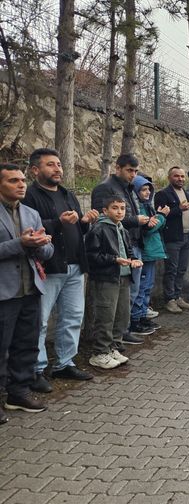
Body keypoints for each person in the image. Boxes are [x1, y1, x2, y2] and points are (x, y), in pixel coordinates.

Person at [23, 149, 96, 390]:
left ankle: (64, 363)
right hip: (47, 268)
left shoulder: (67, 194)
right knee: (40, 321)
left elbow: (77, 229)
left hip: (74, 266)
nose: (58, 169)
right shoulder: (29, 196)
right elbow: (27, 228)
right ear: (35, 170)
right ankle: (36, 369)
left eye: (59, 164)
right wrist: (59, 222)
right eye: (51, 165)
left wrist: (84, 222)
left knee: (73, 317)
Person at [0, 163, 54, 422]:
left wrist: (40, 245)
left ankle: (18, 393)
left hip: (30, 289)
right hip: (3, 292)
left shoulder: (31, 213)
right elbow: (14, 247)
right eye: (13, 181)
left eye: (22, 180)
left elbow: (48, 252)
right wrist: (20, 243)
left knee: (27, 344)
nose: (21, 185)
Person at [91, 154, 147, 345]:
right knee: (111, 304)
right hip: (112, 251)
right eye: (129, 170)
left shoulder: (129, 187)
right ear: (117, 168)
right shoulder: (105, 188)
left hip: (130, 244)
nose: (133, 175)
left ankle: (121, 334)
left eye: (136, 171)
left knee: (129, 295)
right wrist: (135, 220)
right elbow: (103, 219)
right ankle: (108, 343)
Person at [85, 195, 142, 370]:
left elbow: (128, 250)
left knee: (122, 315)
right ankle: (100, 352)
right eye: (115, 208)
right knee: (105, 316)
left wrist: (133, 260)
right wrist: (114, 259)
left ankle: (114, 347)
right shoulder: (98, 229)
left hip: (123, 277)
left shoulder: (122, 229)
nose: (119, 212)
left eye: (122, 208)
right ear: (105, 210)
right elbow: (91, 256)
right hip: (106, 279)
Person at [129, 175, 168, 338]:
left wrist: (158, 218)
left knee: (147, 286)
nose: (147, 193)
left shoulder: (147, 206)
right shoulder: (138, 208)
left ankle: (143, 315)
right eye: (143, 190)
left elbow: (154, 225)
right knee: (141, 287)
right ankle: (136, 319)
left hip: (151, 252)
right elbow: (148, 228)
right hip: (144, 251)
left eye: (148, 190)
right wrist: (161, 216)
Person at [154, 166, 189, 315]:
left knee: (182, 269)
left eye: (182, 176)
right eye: (176, 176)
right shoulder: (162, 194)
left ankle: (178, 296)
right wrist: (179, 209)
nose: (180, 179)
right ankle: (169, 299)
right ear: (169, 178)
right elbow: (161, 215)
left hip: (187, 236)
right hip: (173, 238)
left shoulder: (188, 193)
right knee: (171, 269)